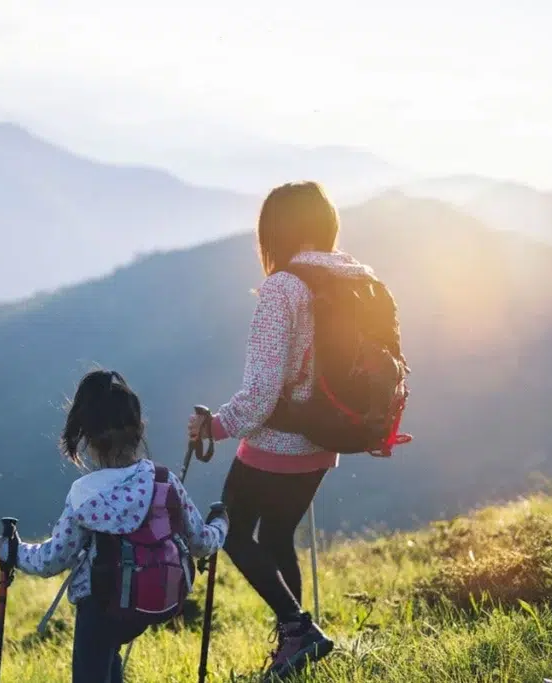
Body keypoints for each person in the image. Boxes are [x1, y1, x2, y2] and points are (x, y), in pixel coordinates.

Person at [188, 181, 372, 679]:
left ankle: (298, 629)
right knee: (275, 537)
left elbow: (262, 390)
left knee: (231, 527)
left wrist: (215, 426)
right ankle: (296, 643)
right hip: (325, 440)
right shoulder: (352, 276)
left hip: (278, 442)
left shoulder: (282, 288)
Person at [0, 369, 228, 683]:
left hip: (102, 607)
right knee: (110, 656)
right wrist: (221, 525)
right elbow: (201, 541)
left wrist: (13, 551)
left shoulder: (85, 495)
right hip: (156, 601)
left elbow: (51, 560)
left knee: (92, 668)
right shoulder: (164, 481)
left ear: (87, 439)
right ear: (139, 429)